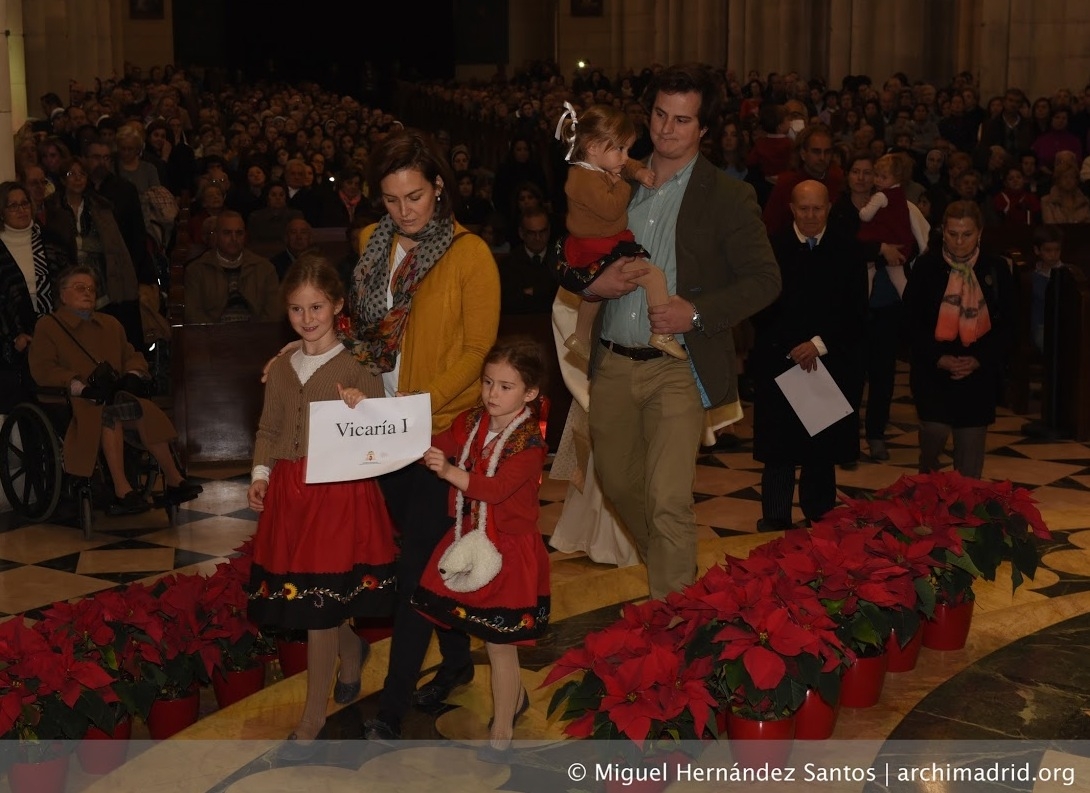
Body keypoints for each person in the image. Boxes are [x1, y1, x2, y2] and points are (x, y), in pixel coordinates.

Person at [585, 63, 780, 599]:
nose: (666, 129)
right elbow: (575, 250)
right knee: (617, 482)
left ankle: (671, 618)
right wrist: (591, 283)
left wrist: (694, 313)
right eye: (659, 115)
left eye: (682, 120)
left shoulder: (727, 195)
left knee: (668, 498)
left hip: (677, 366)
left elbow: (766, 280)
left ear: (704, 128)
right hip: (613, 359)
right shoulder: (614, 179)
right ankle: (677, 581)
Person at [340, 129, 499, 742]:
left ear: (438, 187)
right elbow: (359, 332)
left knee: (413, 570)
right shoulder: (369, 243)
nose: (404, 211)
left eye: (415, 196)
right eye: (391, 199)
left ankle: (392, 705)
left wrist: (420, 404)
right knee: (425, 557)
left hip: (442, 432)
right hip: (381, 429)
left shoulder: (469, 253)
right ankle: (456, 661)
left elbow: (476, 351)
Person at [247, 255, 397, 758]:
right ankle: (352, 649)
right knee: (316, 600)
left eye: (316, 307)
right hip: (292, 492)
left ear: (336, 306)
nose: (307, 318)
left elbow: (381, 428)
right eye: (297, 309)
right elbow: (269, 427)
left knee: (317, 606)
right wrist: (261, 473)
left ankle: (313, 716)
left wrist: (363, 405)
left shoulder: (357, 364)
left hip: (337, 493)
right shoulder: (283, 366)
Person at [411, 337, 549, 761]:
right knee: (481, 630)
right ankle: (515, 698)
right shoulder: (470, 422)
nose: (492, 394)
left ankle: (503, 722)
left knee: (498, 641)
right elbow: (435, 442)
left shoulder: (529, 444)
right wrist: (385, 422)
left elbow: (495, 489)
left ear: (530, 393)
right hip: (471, 536)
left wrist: (449, 471)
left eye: (506, 387)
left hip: (510, 551)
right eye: (488, 382)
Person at [28, 265, 200, 514]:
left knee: (143, 410)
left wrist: (133, 373)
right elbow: (43, 368)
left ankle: (174, 480)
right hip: (78, 403)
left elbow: (132, 355)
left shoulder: (110, 324)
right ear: (62, 295)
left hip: (114, 396)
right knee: (109, 415)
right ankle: (122, 489)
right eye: (79, 288)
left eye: (91, 288)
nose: (87, 292)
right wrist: (77, 385)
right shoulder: (48, 326)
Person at [751, 181, 867, 530]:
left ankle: (821, 523)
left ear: (829, 208)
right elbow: (760, 307)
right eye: (804, 209)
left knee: (822, 451)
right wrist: (793, 344)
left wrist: (818, 344)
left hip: (828, 363)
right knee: (779, 452)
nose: (811, 215)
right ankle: (774, 523)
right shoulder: (772, 248)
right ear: (792, 209)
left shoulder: (848, 249)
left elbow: (856, 311)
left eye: (818, 208)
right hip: (780, 362)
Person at [553, 103, 686, 361]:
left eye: (627, 149)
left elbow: (626, 165)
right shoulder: (583, 179)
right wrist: (623, 184)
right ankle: (662, 333)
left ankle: (580, 336)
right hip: (596, 248)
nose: (625, 157)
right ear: (593, 147)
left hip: (597, 244)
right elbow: (612, 209)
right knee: (653, 276)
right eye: (620, 149)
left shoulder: (597, 166)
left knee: (594, 296)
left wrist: (639, 171)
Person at [902, 201, 1015, 479]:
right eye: (952, 234)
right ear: (943, 231)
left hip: (978, 373)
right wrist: (939, 358)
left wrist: (978, 360)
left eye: (967, 234)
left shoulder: (996, 268)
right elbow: (909, 323)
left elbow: (1009, 326)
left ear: (980, 233)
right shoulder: (926, 267)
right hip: (933, 370)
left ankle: (964, 505)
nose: (959, 241)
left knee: (969, 463)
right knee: (934, 434)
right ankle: (928, 493)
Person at [548, 288, 638, 567]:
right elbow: (566, 306)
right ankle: (609, 541)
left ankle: (639, 541)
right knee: (605, 460)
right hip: (610, 359)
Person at [0, 181, 71, 411]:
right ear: (2, 212)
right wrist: (12, 337)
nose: (21, 210)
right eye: (12, 206)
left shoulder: (51, 240)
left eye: (24, 204)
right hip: (13, 338)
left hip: (55, 328)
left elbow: (69, 282)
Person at [183, 211, 281, 323]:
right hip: (212, 331)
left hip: (256, 331)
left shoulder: (265, 268)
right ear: (216, 236)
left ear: (245, 236)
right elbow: (193, 313)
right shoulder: (196, 270)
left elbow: (273, 312)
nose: (234, 238)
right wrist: (216, 332)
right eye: (227, 233)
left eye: (239, 233)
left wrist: (254, 331)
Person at [858, 152, 919, 262]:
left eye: (884, 177)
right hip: (900, 240)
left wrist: (863, 208)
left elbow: (865, 216)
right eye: (876, 175)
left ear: (897, 178)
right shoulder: (899, 194)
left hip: (883, 239)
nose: (878, 180)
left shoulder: (881, 196)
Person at [1030, 225, 1064, 353]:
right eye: (1048, 251)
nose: (1053, 255)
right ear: (1037, 250)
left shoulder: (1067, 274)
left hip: (1064, 325)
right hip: (1041, 326)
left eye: (1057, 250)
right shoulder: (1033, 277)